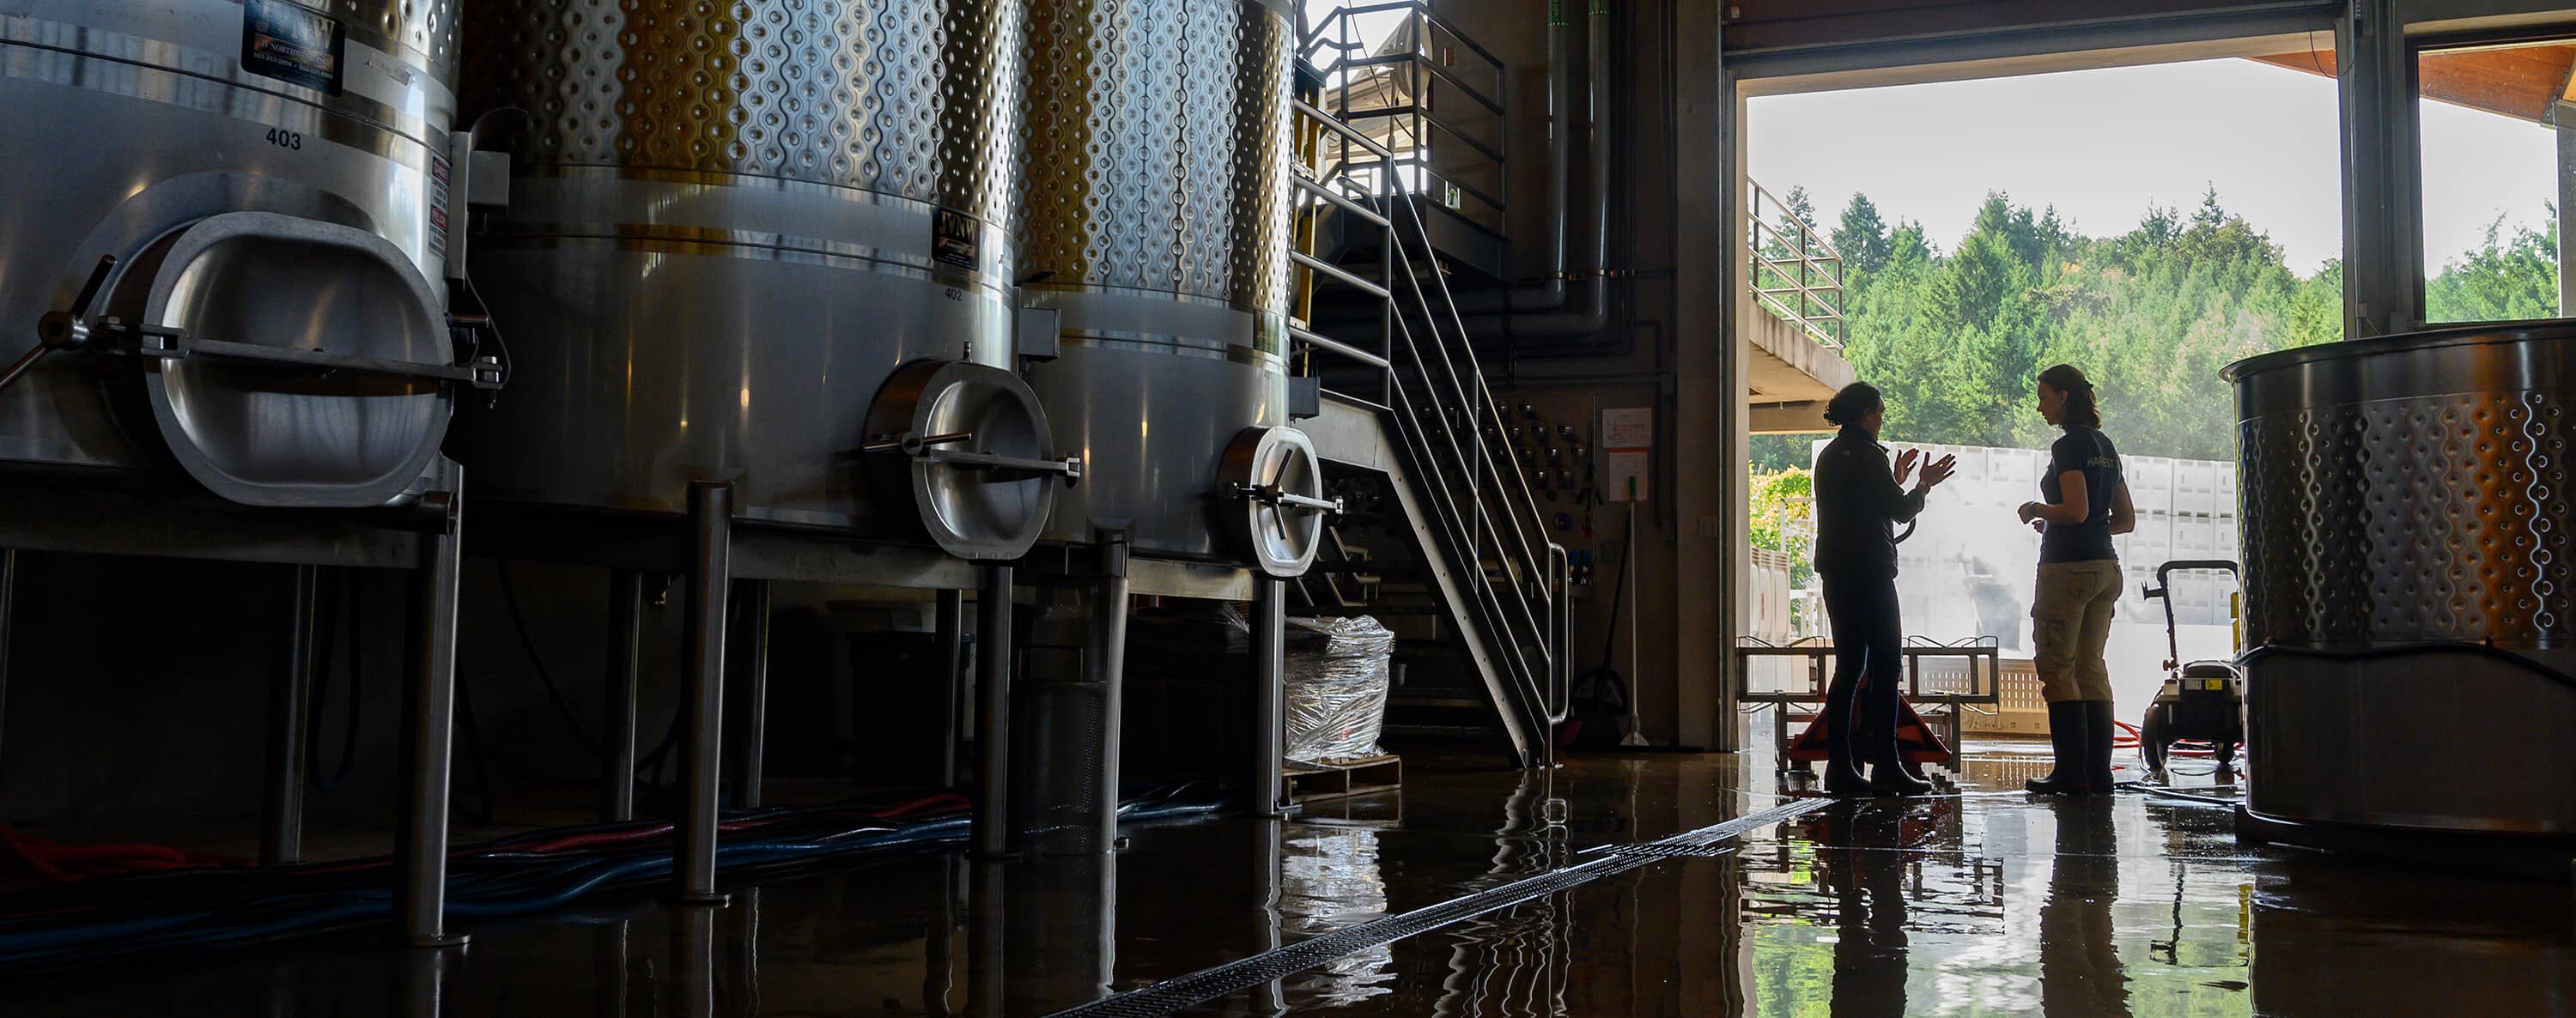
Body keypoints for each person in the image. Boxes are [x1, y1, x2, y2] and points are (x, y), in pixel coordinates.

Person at [1813, 383, 1956, 797]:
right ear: (1864, 415)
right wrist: (1923, 485)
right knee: (1887, 666)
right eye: (1879, 412)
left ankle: (1840, 768)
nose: (1881, 418)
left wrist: (1894, 479)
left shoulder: (1830, 456)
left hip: (1837, 573)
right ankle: (1887, 766)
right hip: (1871, 574)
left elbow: (1861, 505)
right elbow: (1900, 509)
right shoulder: (1868, 454)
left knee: (1849, 668)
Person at [2016, 364, 2136, 795]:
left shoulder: (2067, 447)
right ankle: (2097, 774)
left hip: (2067, 571)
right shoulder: (2106, 446)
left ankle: (2069, 773)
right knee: (2091, 667)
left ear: (2064, 397)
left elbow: (2076, 510)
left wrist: (2037, 510)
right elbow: (2124, 519)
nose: (2040, 405)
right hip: (2105, 566)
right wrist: (2066, 522)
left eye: (2044, 396)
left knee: (2058, 667)